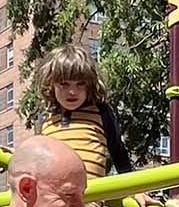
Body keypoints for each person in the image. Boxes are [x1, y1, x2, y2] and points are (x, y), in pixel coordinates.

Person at [32, 45, 134, 180]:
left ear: (89, 85)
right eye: (64, 84)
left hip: (89, 196)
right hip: (54, 196)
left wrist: (134, 189)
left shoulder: (100, 112)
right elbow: (38, 159)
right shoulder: (46, 119)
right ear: (51, 85)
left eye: (80, 84)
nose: (72, 92)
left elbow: (118, 152)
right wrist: (18, 157)